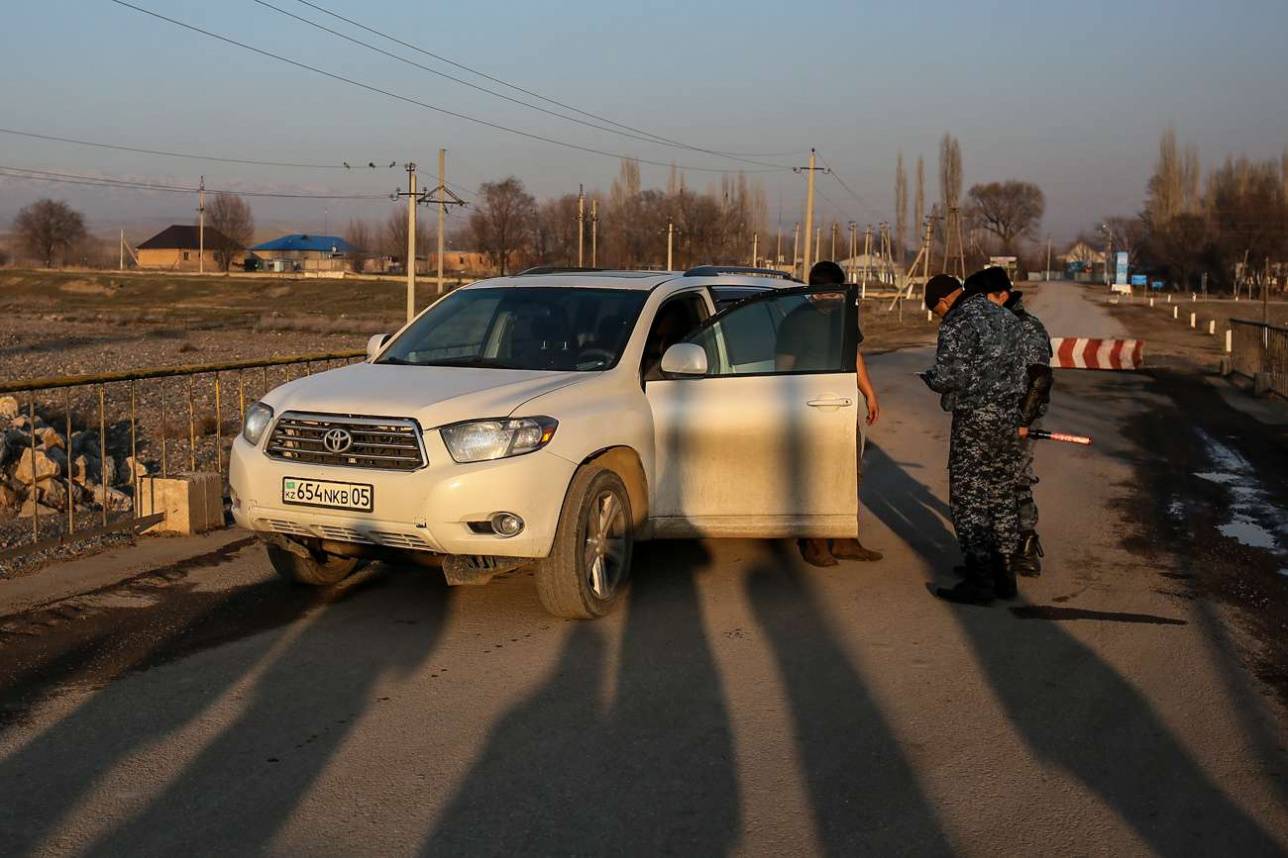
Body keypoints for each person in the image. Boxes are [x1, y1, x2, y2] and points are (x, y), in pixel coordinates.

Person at [920, 272, 1027, 604]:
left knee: (968, 500)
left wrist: (931, 379)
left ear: (943, 302)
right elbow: (1025, 368)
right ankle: (1006, 577)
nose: (939, 316)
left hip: (975, 422)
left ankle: (980, 581)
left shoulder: (956, 323)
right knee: (1002, 494)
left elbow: (951, 375)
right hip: (1008, 419)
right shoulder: (1008, 318)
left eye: (936, 310)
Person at [779, 260, 882, 567]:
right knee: (815, 475)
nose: (828, 300)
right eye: (821, 294)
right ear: (812, 292)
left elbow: (854, 353)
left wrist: (869, 393)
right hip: (809, 406)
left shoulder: (845, 317)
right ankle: (814, 543)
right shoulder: (796, 320)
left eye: (834, 294)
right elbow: (784, 363)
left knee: (847, 474)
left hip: (841, 404)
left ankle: (845, 540)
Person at [965, 266, 1053, 576]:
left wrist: (1022, 420)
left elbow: (1040, 378)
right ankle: (992, 554)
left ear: (1003, 295)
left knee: (1015, 480)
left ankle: (1025, 546)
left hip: (1017, 418)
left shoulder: (1025, 327)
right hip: (988, 416)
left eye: (984, 299)